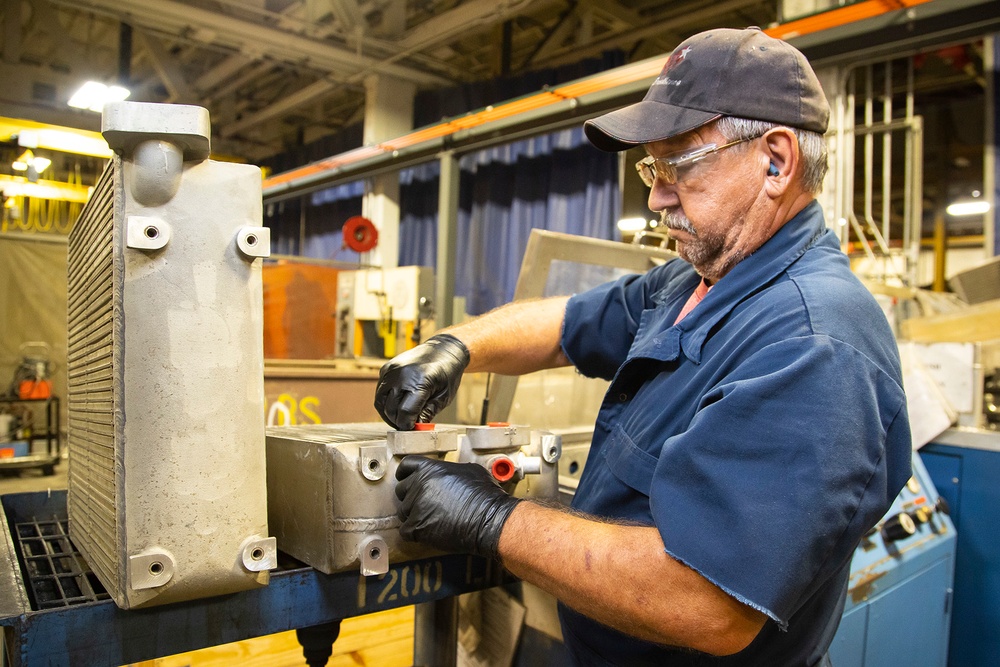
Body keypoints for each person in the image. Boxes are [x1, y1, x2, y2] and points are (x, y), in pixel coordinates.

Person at [375, 27, 911, 666]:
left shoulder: (813, 341)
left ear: (776, 160)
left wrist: (490, 520)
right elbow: (567, 323)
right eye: (651, 167)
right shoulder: (700, 278)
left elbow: (707, 603)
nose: (656, 196)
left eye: (679, 163)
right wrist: (454, 345)